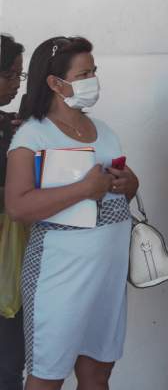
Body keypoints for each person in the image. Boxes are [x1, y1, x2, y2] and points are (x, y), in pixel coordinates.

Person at [5, 37, 138, 390]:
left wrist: (130, 184)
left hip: (107, 274)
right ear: (55, 82)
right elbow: (17, 206)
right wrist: (83, 189)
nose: (94, 78)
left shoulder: (105, 132)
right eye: (85, 72)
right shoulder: (33, 135)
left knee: (97, 374)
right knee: (47, 377)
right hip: (58, 274)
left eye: (94, 70)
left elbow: (121, 192)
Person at [0, 35, 24, 390]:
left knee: (8, 368)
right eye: (10, 76)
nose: (17, 86)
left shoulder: (13, 124)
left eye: (21, 77)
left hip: (10, 263)